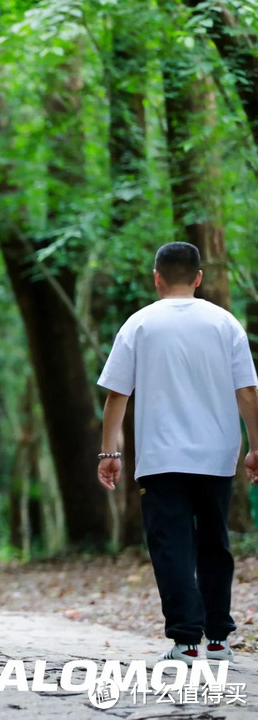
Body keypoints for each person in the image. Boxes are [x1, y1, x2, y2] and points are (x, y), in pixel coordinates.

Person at [97, 241, 258, 665]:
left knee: (171, 545)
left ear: (157, 278)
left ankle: (187, 641)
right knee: (214, 541)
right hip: (217, 453)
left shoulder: (139, 325)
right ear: (199, 278)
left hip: (160, 456)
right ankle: (220, 638)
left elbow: (117, 395)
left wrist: (107, 452)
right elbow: (247, 392)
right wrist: (256, 446)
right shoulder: (226, 324)